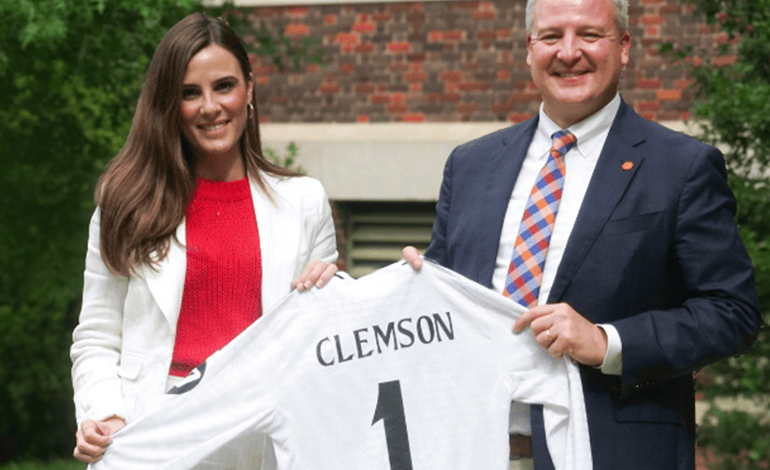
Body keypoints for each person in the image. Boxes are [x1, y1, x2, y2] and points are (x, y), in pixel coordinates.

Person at [403, 0, 762, 468]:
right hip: (470, 448)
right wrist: (362, 294)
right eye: (552, 37)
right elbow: (442, 306)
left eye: (589, 35)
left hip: (611, 450)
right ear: (530, 49)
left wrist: (606, 341)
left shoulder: (682, 166)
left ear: (624, 47)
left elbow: (732, 313)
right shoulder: (471, 165)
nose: (569, 52)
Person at [71, 12, 338, 465]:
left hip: (260, 442)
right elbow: (97, 337)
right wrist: (105, 414)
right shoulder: (125, 203)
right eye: (189, 93)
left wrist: (336, 296)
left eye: (224, 86)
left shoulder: (304, 202)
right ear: (168, 104)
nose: (209, 106)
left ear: (249, 89)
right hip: (152, 438)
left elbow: (325, 347)